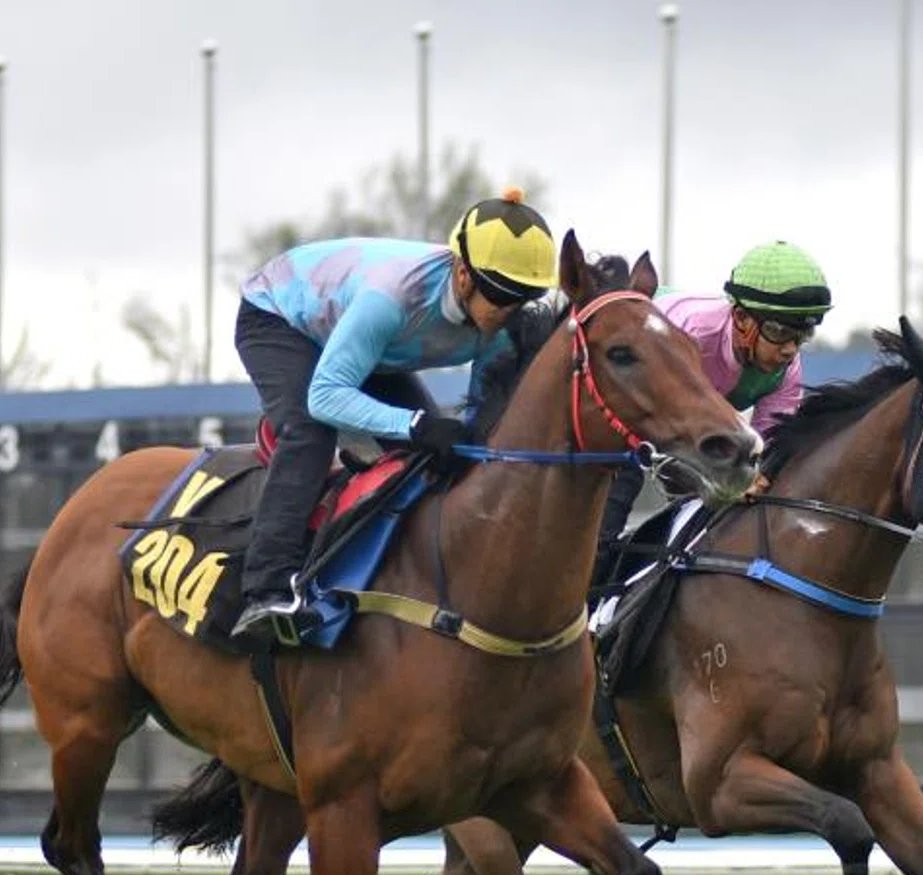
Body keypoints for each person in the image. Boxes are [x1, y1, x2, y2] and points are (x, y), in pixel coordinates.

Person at [228, 191, 557, 645]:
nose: (509, 311)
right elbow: (325, 396)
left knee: (444, 457)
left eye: (525, 297)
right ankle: (264, 590)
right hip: (280, 317)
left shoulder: (501, 323)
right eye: (501, 294)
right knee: (309, 432)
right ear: (463, 274)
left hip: (374, 350)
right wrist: (416, 426)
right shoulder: (394, 296)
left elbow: (481, 426)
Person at [596, 240, 832, 557]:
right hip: (626, 402)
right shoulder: (693, 335)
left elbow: (765, 458)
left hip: (679, 421)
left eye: (803, 334)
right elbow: (662, 440)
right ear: (741, 319)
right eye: (779, 331)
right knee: (616, 509)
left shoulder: (787, 371)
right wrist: (728, 484)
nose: (790, 349)